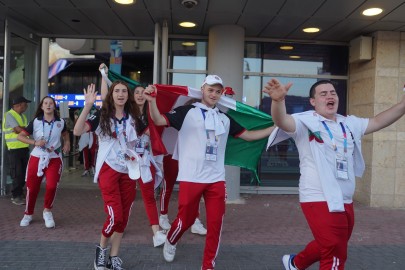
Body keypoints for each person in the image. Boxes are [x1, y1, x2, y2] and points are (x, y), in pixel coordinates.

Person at [264, 79, 405, 270]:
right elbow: (281, 120)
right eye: (323, 94)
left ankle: (295, 263)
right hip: (318, 196)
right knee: (335, 251)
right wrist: (278, 101)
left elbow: (378, 121)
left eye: (333, 93)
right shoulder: (304, 121)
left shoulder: (349, 123)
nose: (330, 96)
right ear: (313, 101)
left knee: (331, 243)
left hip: (345, 198)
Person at [144, 75, 274, 270]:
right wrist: (152, 102)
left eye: (218, 91)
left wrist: (275, 127)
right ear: (203, 90)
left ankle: (208, 265)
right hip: (191, 177)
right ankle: (171, 239)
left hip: (216, 179)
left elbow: (249, 135)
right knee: (185, 220)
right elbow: (158, 119)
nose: (214, 94)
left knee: (216, 224)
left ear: (222, 94)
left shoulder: (225, 118)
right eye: (211, 90)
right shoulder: (187, 111)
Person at [74, 82, 143, 270]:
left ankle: (114, 257)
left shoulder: (134, 116)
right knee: (115, 216)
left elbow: (144, 135)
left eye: (123, 91)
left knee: (124, 218)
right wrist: (88, 105)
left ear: (128, 96)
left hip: (128, 170)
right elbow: (77, 131)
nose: (120, 94)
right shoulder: (102, 115)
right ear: (111, 95)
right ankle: (101, 251)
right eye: (117, 91)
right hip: (108, 170)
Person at [17, 96, 70, 228]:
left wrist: (67, 142)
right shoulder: (35, 122)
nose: (48, 105)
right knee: (32, 188)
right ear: (41, 106)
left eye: (51, 103)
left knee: (52, 186)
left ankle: (47, 211)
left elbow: (65, 134)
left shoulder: (60, 122)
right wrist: (35, 142)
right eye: (45, 103)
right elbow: (20, 136)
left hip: (54, 158)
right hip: (37, 157)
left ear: (54, 106)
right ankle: (28, 214)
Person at [2, 96, 31, 205]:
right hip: (14, 149)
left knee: (24, 172)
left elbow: (22, 129)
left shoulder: (22, 116)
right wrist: (28, 129)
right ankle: (16, 196)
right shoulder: (9, 115)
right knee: (17, 173)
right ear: (18, 105)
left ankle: (19, 192)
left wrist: (25, 129)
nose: (27, 106)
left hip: (23, 147)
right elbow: (17, 129)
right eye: (25, 104)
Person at [78, 107, 98, 177]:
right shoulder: (82, 110)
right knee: (85, 151)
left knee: (93, 152)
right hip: (84, 133)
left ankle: (93, 167)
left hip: (93, 133)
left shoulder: (96, 111)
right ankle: (86, 169)